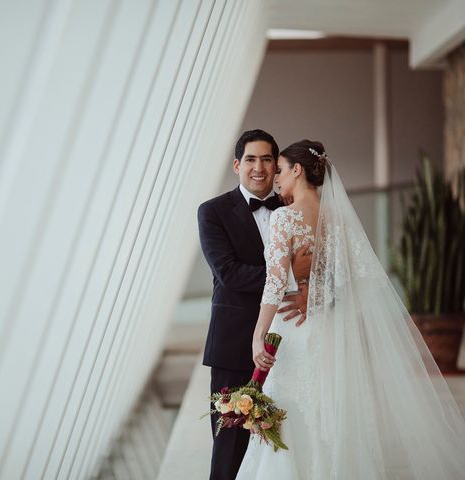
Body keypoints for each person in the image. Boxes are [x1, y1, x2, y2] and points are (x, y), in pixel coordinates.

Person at [236, 140, 465, 479]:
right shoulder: (337, 218)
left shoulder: (284, 218)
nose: (277, 179)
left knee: (289, 415)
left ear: (297, 170)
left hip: (295, 331)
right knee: (328, 416)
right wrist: (318, 294)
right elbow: (360, 280)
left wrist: (258, 336)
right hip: (329, 331)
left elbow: (273, 284)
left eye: (281, 170)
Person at [198, 130, 312, 480]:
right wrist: (291, 278)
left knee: (287, 441)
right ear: (237, 165)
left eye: (267, 160)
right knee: (230, 443)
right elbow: (229, 273)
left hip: (293, 340)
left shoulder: (295, 208)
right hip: (234, 343)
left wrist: (309, 291)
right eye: (250, 159)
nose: (259, 167)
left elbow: (324, 265)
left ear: (278, 167)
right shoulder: (212, 211)